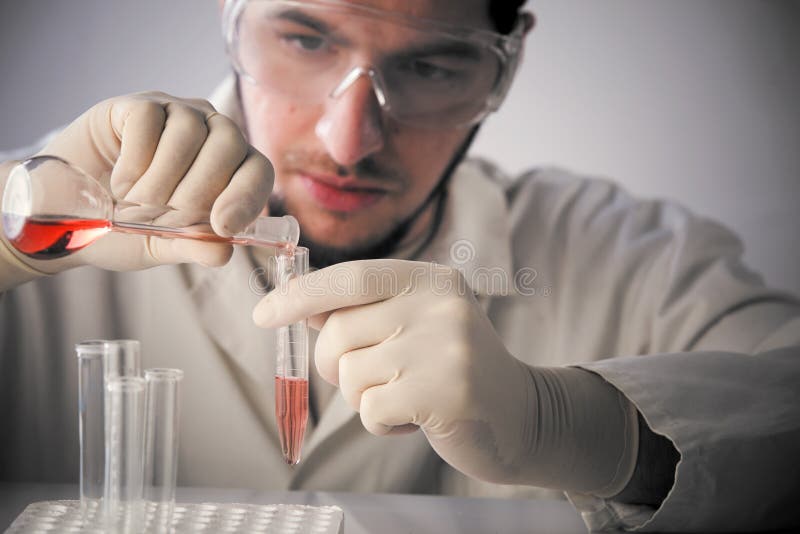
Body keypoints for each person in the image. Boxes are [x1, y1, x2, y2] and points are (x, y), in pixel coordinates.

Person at [1, 0, 798, 531]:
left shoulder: (621, 255)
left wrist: (597, 430)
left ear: (504, 65)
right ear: (235, 20)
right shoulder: (55, 207)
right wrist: (12, 239)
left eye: (431, 66)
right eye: (307, 40)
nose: (350, 141)